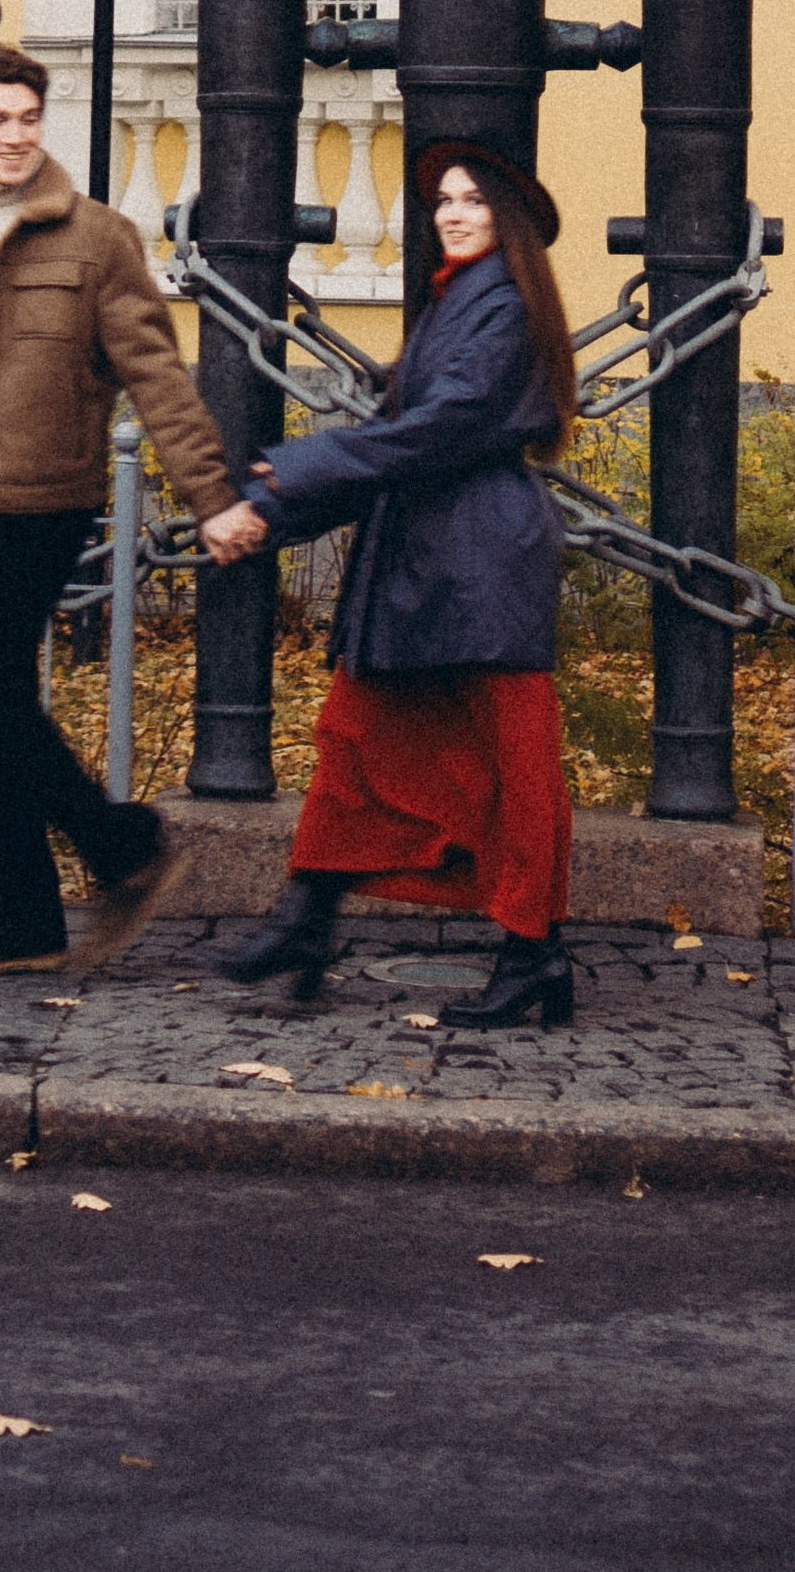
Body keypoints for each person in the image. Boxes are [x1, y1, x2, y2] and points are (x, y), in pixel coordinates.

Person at [0, 43, 268, 977]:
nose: (15, 136)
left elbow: (155, 371)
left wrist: (211, 498)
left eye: (28, 118)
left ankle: (121, 847)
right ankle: (24, 918)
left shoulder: (94, 237)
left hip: (43, 491)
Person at [214, 141, 580, 1029]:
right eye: (444, 203)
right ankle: (306, 921)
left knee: (515, 770)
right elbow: (395, 438)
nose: (452, 214)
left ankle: (535, 954)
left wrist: (287, 483)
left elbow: (434, 432)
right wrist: (271, 508)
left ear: (509, 220)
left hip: (482, 561)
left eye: (472, 202)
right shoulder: (461, 302)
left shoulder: (502, 305)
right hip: (428, 557)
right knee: (358, 743)